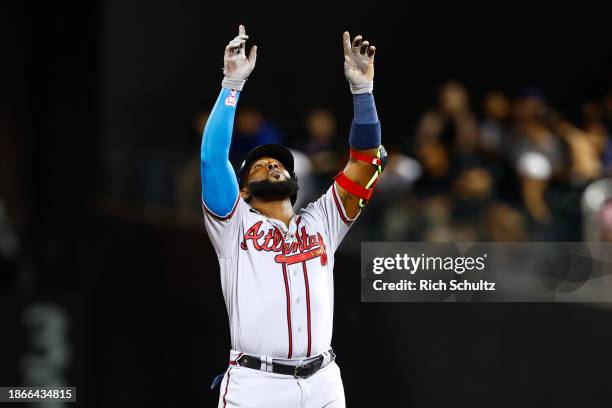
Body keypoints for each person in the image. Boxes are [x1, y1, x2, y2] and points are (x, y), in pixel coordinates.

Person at [200, 25, 384, 408]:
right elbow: (212, 158)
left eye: (279, 164)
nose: (272, 166)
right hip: (257, 382)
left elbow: (366, 160)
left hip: (323, 382)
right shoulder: (234, 225)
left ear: (295, 181)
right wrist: (231, 83)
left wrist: (362, 92)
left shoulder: (322, 220)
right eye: (260, 164)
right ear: (243, 189)